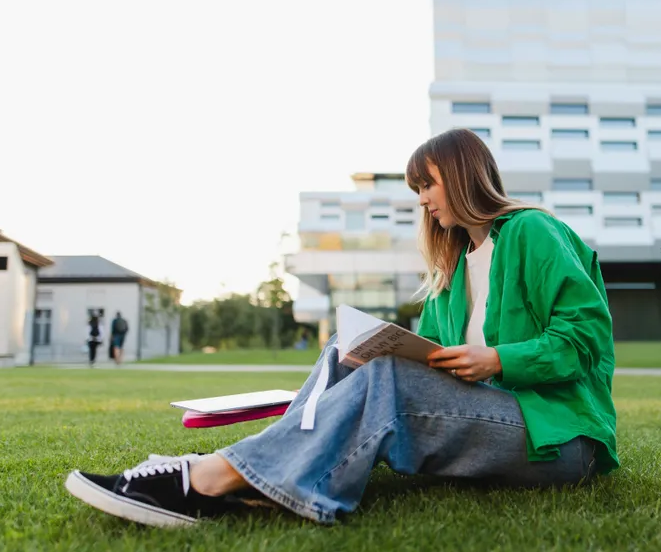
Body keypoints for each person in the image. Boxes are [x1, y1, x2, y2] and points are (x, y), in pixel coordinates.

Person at [63, 127, 619, 527]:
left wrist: (498, 360)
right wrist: (376, 354)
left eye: (427, 184)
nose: (422, 201)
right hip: (484, 418)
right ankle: (248, 470)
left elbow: (586, 340)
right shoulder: (449, 274)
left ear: (461, 175)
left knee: (389, 386)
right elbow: (432, 362)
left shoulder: (533, 233)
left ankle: (211, 480)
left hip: (559, 437)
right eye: (416, 191)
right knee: (343, 351)